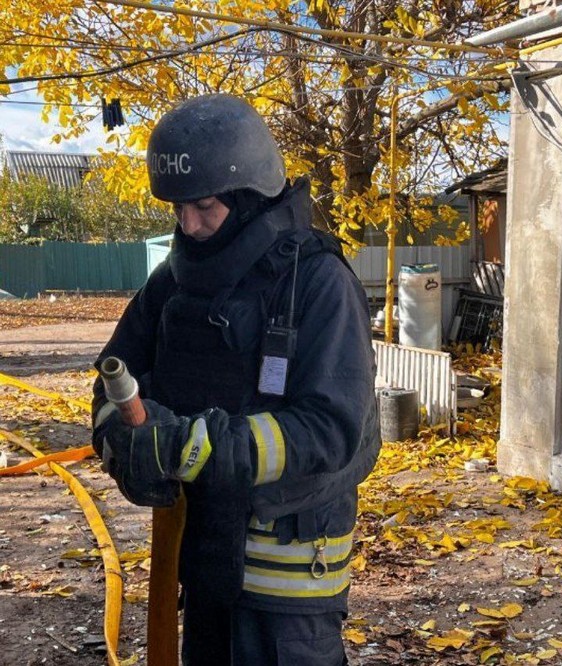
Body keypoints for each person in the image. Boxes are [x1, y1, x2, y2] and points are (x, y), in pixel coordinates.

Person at [92, 93, 381, 665]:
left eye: (204, 206)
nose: (189, 226)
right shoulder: (173, 283)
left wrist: (189, 446)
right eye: (178, 209)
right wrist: (127, 447)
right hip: (201, 561)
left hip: (289, 584)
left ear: (249, 197)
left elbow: (331, 428)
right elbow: (107, 387)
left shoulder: (318, 282)